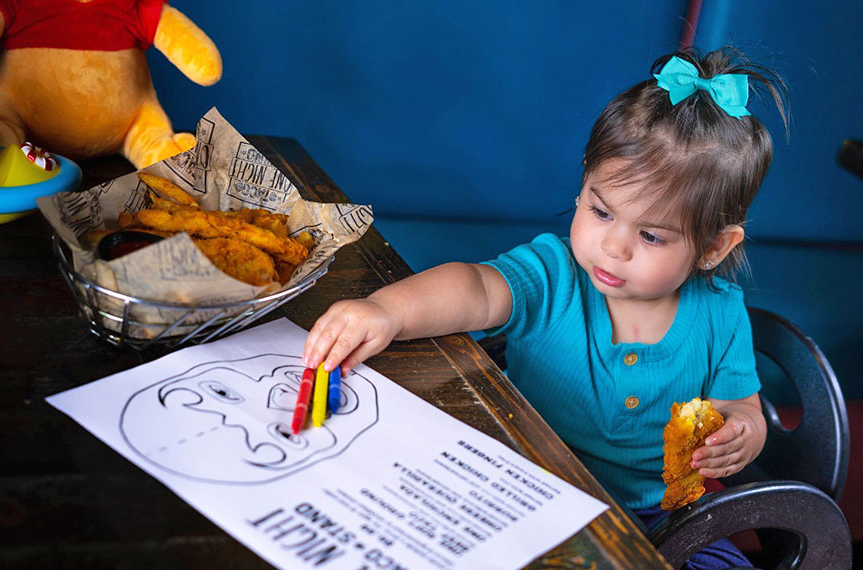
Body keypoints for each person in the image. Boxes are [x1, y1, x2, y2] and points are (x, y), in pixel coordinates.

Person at [303, 47, 788, 570]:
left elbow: (742, 407)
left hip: (659, 518)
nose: (614, 247)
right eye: (601, 211)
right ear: (583, 182)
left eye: (650, 235)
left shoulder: (720, 313)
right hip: (523, 488)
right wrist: (387, 311)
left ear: (715, 247)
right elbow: (475, 288)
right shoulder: (555, 273)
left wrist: (740, 434)